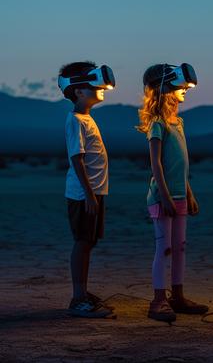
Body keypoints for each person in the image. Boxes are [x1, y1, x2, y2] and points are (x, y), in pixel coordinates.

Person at [136, 63, 209, 322]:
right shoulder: (157, 124)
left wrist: (188, 192)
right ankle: (158, 300)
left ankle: (177, 296)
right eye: (181, 86)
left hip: (179, 196)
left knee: (180, 247)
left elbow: (182, 165)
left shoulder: (178, 122)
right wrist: (165, 196)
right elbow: (156, 164)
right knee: (164, 248)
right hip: (161, 197)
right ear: (166, 87)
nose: (185, 90)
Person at [58, 61, 116, 318]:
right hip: (84, 194)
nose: (100, 88)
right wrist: (89, 194)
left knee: (89, 242)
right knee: (82, 242)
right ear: (78, 91)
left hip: (94, 192)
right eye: (93, 84)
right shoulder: (75, 121)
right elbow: (77, 158)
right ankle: (78, 298)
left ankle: (83, 293)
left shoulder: (86, 118)